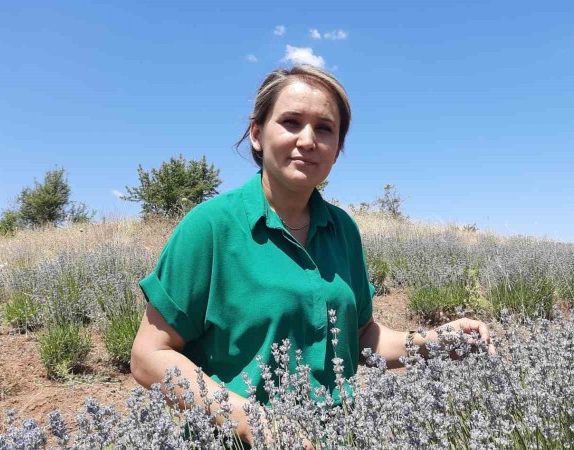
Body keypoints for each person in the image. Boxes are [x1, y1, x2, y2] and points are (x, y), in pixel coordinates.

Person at [130, 64, 495, 448]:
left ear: (337, 148)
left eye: (324, 128)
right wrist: (259, 426)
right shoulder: (211, 226)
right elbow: (149, 355)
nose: (307, 140)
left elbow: (362, 337)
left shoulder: (342, 229)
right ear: (257, 134)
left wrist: (437, 340)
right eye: (291, 122)